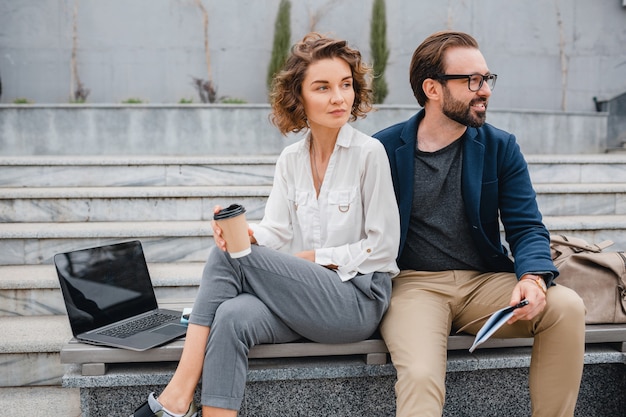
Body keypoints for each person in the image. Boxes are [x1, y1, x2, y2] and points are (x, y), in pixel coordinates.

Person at [130, 32, 400, 417]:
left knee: (227, 257)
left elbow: (384, 247)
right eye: (322, 87)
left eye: (345, 85)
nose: (339, 97)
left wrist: (317, 257)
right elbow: (276, 231)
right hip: (304, 300)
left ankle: (177, 393)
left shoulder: (369, 154)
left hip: (356, 301)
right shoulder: (291, 159)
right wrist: (249, 234)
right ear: (299, 97)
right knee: (231, 315)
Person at [373, 31, 586, 417]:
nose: (484, 89)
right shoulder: (383, 150)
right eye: (471, 80)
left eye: (487, 78)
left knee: (566, 306)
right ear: (432, 88)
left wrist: (534, 278)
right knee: (420, 376)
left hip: (484, 284)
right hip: (412, 286)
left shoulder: (501, 146)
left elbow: (526, 227)